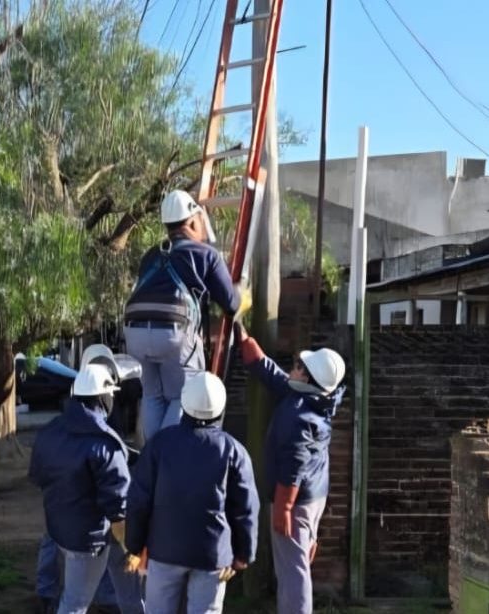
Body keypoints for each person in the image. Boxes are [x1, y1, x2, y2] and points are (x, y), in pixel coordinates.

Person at [125, 371, 259, 614]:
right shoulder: (234, 451)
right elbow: (246, 508)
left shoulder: (160, 444)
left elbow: (138, 500)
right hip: (213, 554)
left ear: (185, 403)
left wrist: (135, 545)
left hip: (164, 549)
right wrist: (243, 553)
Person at [235, 323, 346, 614]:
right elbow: (274, 376)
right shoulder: (316, 397)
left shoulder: (299, 416)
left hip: (295, 501)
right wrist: (247, 342)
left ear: (307, 379)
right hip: (313, 496)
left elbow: (293, 467)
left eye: (298, 365)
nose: (293, 367)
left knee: (293, 571)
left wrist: (283, 508)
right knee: (296, 562)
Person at [124, 189, 245, 443]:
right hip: (173, 334)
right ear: (191, 221)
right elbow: (231, 304)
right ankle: (166, 457)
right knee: (182, 395)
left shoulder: (150, 255)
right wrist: (243, 291)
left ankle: (151, 460)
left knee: (153, 395)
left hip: (134, 331)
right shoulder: (206, 255)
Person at [29, 364, 144, 614]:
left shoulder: (50, 431)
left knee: (126, 590)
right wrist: (134, 549)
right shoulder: (104, 444)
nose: (113, 398)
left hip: (61, 530)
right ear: (102, 397)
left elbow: (39, 477)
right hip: (92, 539)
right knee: (74, 604)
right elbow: (119, 509)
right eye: (111, 394)